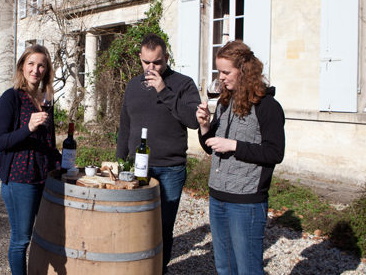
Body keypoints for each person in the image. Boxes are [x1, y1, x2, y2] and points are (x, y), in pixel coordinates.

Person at [195, 40, 285, 275]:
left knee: (247, 269)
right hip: (217, 197)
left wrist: (234, 145)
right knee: (224, 267)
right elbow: (212, 147)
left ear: (243, 71)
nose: (221, 77)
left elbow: (275, 152)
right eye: (219, 72)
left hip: (246, 202)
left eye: (226, 72)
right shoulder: (225, 102)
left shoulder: (268, 106)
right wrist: (204, 127)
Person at [116, 33, 201, 273]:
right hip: (136, 167)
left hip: (169, 168)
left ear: (166, 58)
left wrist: (163, 90)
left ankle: (158, 270)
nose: (151, 67)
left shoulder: (183, 84)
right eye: (146, 62)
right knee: (134, 224)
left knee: (162, 227)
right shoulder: (133, 85)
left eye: (157, 62)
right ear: (140, 59)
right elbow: (125, 126)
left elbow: (193, 121)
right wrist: (119, 161)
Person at [0, 44, 62, 275]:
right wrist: (28, 127)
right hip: (19, 179)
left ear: (47, 70)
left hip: (43, 178)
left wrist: (64, 167)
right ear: (22, 66)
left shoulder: (46, 100)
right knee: (21, 240)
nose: (36, 69)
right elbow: (1, 142)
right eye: (31, 63)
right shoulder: (10, 98)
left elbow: (49, 143)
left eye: (41, 65)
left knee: (44, 235)